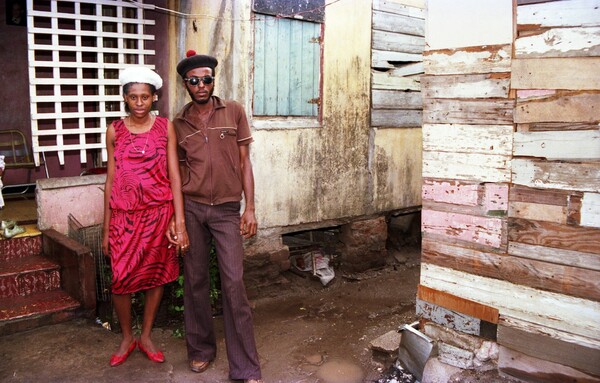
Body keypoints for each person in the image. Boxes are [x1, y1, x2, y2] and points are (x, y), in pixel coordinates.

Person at [170, 50, 262, 383]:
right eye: (194, 81)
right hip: (193, 208)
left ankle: (246, 367)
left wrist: (249, 206)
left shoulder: (234, 112)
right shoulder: (178, 124)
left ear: (213, 80)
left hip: (226, 210)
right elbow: (177, 176)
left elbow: (244, 162)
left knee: (234, 283)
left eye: (206, 78)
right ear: (186, 85)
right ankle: (200, 350)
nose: (201, 85)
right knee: (195, 281)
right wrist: (177, 220)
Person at [102, 66, 189, 367]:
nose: (139, 103)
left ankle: (147, 335)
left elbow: (175, 176)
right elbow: (111, 181)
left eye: (145, 97)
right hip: (124, 218)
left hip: (158, 217)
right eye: (133, 97)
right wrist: (105, 229)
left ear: (154, 98)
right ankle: (127, 336)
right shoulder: (114, 130)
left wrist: (179, 220)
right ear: (125, 99)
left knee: (156, 276)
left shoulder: (165, 127)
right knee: (120, 279)